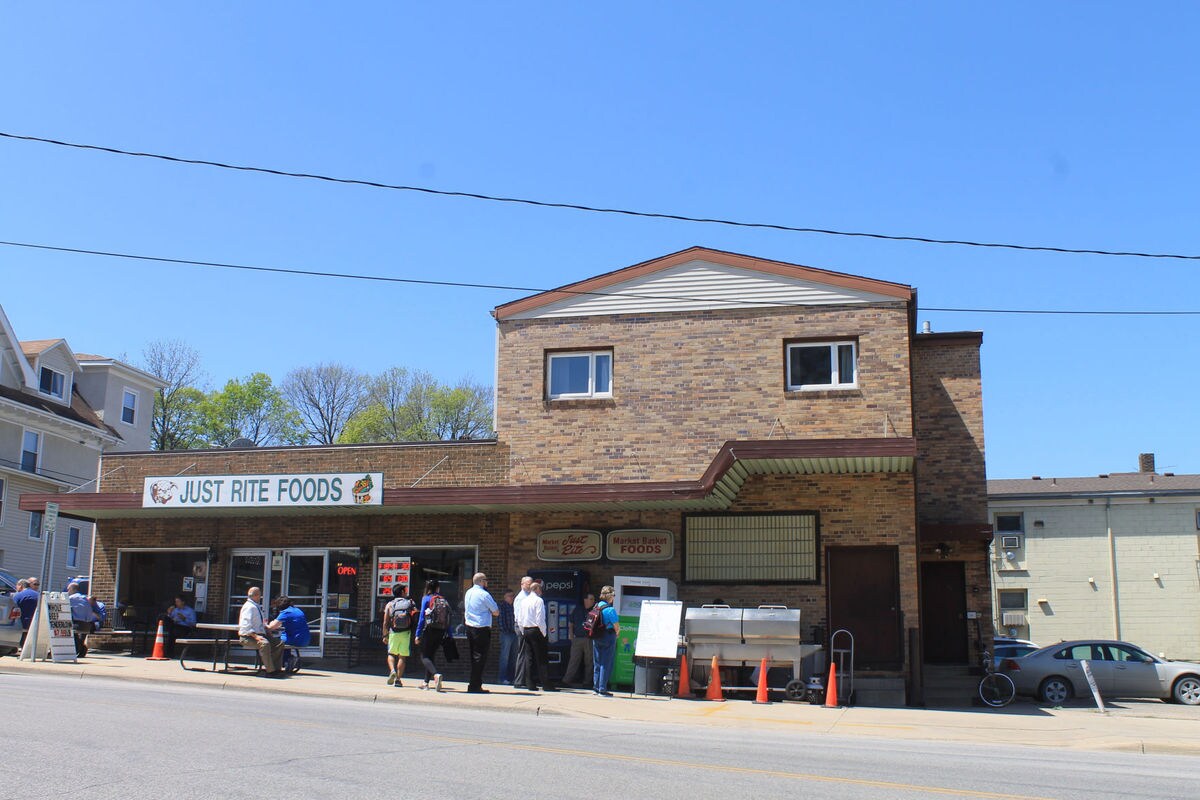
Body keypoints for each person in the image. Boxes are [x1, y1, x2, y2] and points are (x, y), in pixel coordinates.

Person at [463, 572, 500, 694]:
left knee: (474, 657)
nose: (487, 583)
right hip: (481, 628)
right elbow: (496, 612)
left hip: (470, 627)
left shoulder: (468, 592)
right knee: (480, 657)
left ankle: (474, 683)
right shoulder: (484, 594)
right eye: (486, 580)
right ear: (482, 581)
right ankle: (474, 685)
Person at [518, 579, 556, 692]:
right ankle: (546, 684)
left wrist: (523, 631)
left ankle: (530, 684)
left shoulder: (523, 601)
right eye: (540, 589)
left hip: (526, 630)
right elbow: (540, 619)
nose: (542, 591)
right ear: (537, 589)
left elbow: (519, 619)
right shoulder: (538, 600)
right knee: (542, 658)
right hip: (536, 630)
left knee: (529, 658)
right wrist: (544, 633)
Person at [238, 587, 285, 677]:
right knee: (264, 644)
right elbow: (245, 625)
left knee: (279, 643)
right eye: (259, 594)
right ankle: (270, 671)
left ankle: (276, 668)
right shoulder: (249, 607)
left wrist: (266, 630)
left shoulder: (256, 606)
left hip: (260, 634)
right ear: (256, 595)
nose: (260, 596)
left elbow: (260, 623)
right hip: (247, 637)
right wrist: (256, 637)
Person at [414, 579, 447, 691]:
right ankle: (425, 683)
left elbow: (422, 618)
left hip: (429, 630)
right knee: (431, 655)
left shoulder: (426, 598)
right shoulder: (442, 599)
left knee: (424, 656)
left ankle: (436, 674)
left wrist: (417, 633)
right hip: (440, 630)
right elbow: (448, 617)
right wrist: (449, 633)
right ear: (438, 588)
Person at [382, 584, 416, 687]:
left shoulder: (390, 604)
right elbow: (416, 614)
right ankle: (398, 680)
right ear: (402, 592)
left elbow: (385, 622)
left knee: (391, 654)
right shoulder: (410, 603)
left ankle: (392, 671)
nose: (406, 592)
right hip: (406, 633)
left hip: (393, 632)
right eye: (405, 590)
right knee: (402, 657)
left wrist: (385, 635)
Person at [591, 585, 621, 697]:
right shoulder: (610, 609)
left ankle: (595, 687)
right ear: (610, 596)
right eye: (613, 595)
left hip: (596, 636)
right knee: (606, 663)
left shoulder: (596, 606)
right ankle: (602, 689)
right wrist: (617, 634)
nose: (614, 598)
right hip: (608, 636)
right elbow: (616, 626)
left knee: (597, 662)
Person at [561, 593, 595, 688]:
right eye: (591, 599)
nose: (593, 601)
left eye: (593, 599)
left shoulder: (595, 611)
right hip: (577, 638)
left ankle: (587, 682)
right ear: (585, 600)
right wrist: (570, 634)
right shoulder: (577, 609)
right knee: (574, 660)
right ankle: (566, 680)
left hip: (589, 639)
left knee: (589, 661)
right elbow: (571, 622)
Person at [271, 595, 310, 672]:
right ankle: (288, 659)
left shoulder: (286, 612)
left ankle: (280, 663)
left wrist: (269, 623)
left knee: (275, 642)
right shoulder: (298, 610)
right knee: (284, 638)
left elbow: (272, 627)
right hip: (305, 638)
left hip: (295, 639)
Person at [512, 576, 533, 689]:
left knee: (525, 653)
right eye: (528, 583)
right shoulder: (521, 598)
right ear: (522, 584)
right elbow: (519, 616)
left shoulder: (528, 597)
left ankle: (523, 679)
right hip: (521, 626)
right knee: (522, 653)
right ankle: (519, 681)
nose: (530, 585)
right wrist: (523, 630)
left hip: (525, 626)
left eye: (531, 583)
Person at [67, 582, 98, 657]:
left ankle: (79, 648)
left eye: (68, 589)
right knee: (79, 634)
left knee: (67, 629)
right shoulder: (85, 599)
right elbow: (90, 615)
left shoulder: (71, 599)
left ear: (72, 589)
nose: (67, 591)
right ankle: (82, 648)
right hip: (88, 625)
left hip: (76, 624)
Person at [497, 589, 517, 685]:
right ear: (505, 597)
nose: (512, 598)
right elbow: (501, 621)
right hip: (506, 634)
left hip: (514, 633)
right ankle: (502, 678)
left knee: (513, 657)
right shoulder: (502, 606)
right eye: (509, 596)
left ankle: (511, 677)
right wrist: (505, 630)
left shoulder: (514, 606)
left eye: (512, 595)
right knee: (505, 657)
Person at [12, 579, 38, 647]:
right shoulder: (38, 595)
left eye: (16, 586)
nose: (16, 588)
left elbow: (12, 608)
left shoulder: (18, 595)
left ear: (20, 586)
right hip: (36, 622)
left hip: (23, 622)